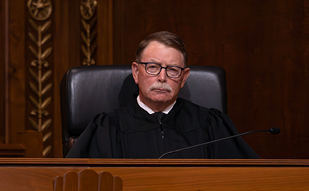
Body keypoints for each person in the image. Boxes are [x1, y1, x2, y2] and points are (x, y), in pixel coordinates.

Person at [66, 31, 259, 159]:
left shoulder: (210, 125)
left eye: (173, 70)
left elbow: (249, 179)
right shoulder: (107, 128)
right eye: (152, 67)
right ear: (135, 72)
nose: (162, 77)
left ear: (183, 78)